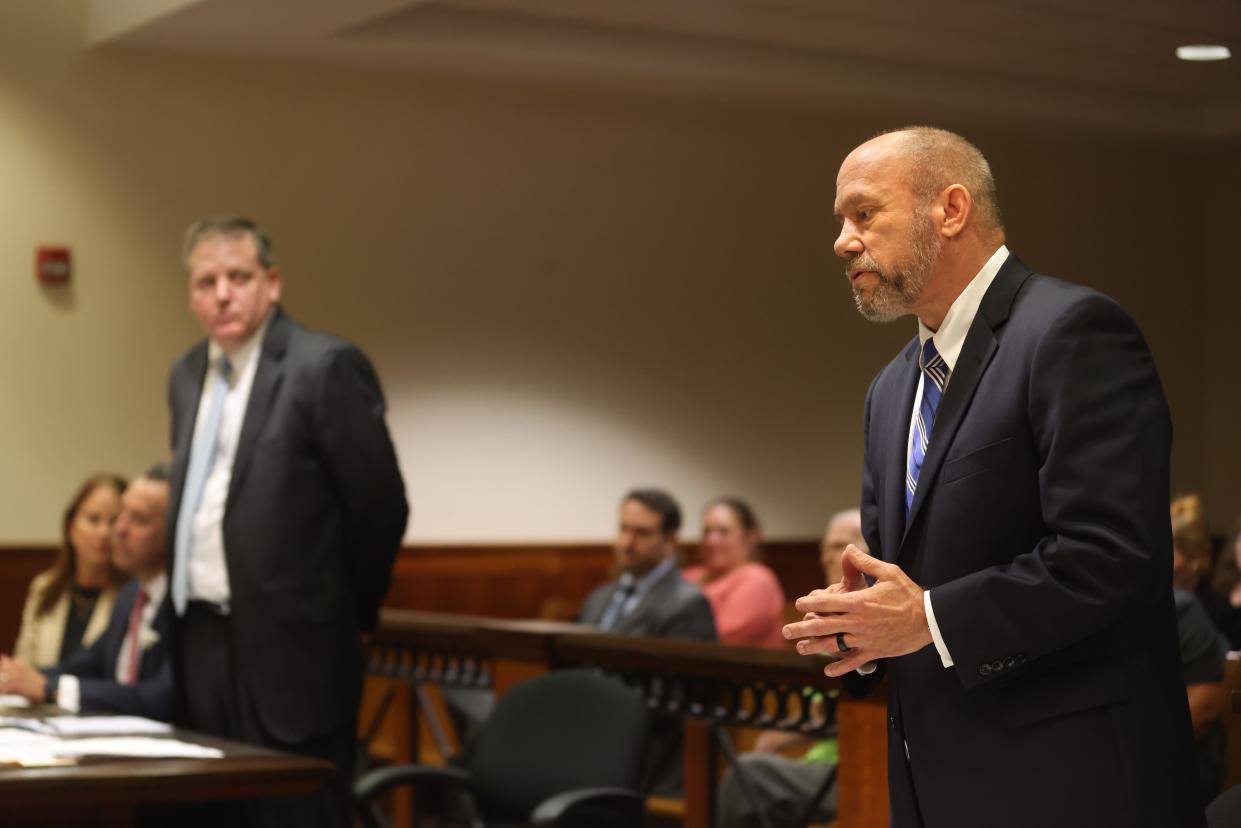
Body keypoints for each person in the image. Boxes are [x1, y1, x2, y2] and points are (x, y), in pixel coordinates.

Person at [782, 127, 1203, 826]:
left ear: (949, 210)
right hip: (934, 778)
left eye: (863, 214)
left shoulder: (1071, 331)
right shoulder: (890, 388)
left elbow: (1109, 556)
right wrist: (858, 631)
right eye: (839, 222)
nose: (842, 241)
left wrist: (926, 619)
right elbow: (900, 583)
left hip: (1072, 779)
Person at [167, 216, 409, 828]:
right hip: (199, 639)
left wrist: (347, 611)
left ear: (271, 284)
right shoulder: (186, 374)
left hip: (295, 651)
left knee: (292, 815)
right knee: (212, 814)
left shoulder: (323, 366)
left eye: (238, 277)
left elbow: (378, 507)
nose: (221, 294)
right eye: (205, 282)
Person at [716, 509, 862, 828]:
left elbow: (848, 708)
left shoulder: (874, 626)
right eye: (823, 548)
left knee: (748, 777)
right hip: (818, 764)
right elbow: (819, 709)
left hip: (860, 769)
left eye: (838, 547)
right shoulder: (826, 620)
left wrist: (790, 733)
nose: (825, 557)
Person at [0, 465, 175, 721]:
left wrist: (50, 688)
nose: (117, 531)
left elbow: (161, 697)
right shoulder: (133, 595)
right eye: (122, 515)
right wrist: (15, 675)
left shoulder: (186, 604)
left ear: (173, 532)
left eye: (138, 519)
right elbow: (88, 663)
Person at [12, 474, 127, 668]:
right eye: (93, 519)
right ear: (70, 526)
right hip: (39, 698)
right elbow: (23, 665)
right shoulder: (44, 587)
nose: (103, 533)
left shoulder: (131, 596)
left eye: (114, 521)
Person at [579, 488, 716, 641]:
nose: (626, 543)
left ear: (671, 539)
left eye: (642, 533)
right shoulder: (598, 597)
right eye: (623, 529)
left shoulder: (689, 605)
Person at [682, 498, 785, 647]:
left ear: (750, 536)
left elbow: (719, 639)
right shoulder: (691, 575)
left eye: (723, 532)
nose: (712, 540)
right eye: (707, 531)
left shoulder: (758, 580)